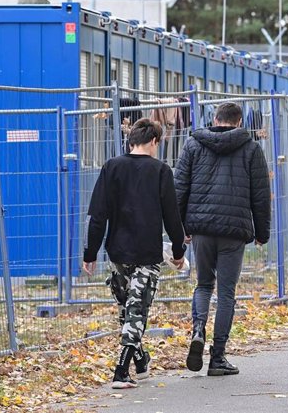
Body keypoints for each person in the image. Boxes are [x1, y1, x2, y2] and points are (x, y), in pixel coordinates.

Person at [83, 118, 187, 389]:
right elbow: (172, 217)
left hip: (117, 253)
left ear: (131, 142)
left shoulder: (111, 167)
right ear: (153, 141)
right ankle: (120, 371)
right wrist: (178, 251)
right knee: (136, 311)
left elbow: (97, 216)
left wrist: (90, 253)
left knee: (128, 310)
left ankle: (140, 361)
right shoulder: (161, 171)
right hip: (147, 254)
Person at [174, 102, 271, 376]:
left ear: (214, 119)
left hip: (201, 228)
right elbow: (261, 196)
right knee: (226, 292)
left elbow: (179, 188)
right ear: (240, 123)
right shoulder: (251, 149)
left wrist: (180, 229)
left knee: (204, 285)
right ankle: (218, 357)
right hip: (234, 231)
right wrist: (262, 233)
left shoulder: (193, 145)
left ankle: (197, 330)